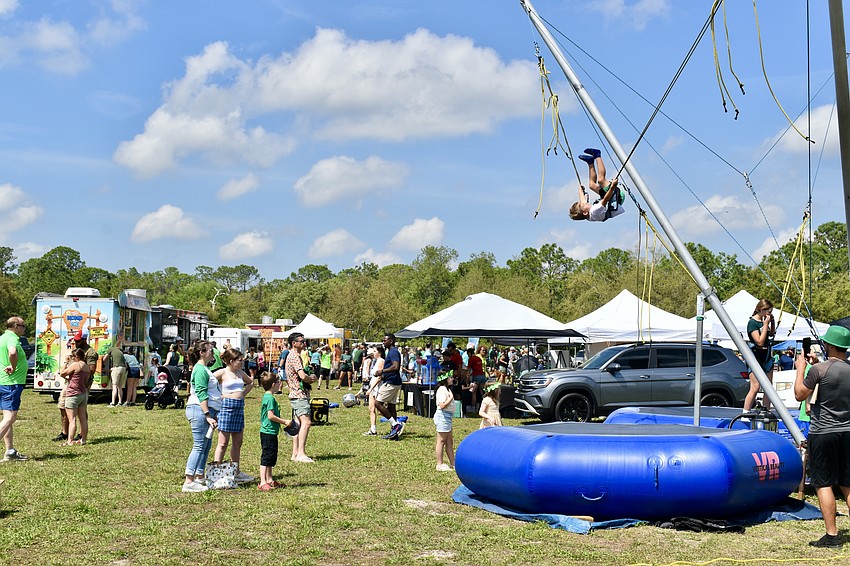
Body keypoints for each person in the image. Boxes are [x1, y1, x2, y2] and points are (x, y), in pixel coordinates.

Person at [794, 325, 850, 548]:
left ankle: (832, 535)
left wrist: (801, 369)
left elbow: (799, 394)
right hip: (847, 432)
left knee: (823, 483)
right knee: (848, 483)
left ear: (829, 345)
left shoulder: (819, 370)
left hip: (823, 432)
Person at [182, 340, 221, 493]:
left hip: (206, 411)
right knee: (199, 445)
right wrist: (207, 415)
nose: (213, 353)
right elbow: (201, 393)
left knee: (206, 445)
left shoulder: (205, 368)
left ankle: (199, 476)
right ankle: (189, 481)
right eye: (210, 350)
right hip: (199, 410)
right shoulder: (199, 369)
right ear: (202, 353)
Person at [212, 348, 255, 483]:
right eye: (240, 360)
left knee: (238, 442)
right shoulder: (222, 372)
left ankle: (235, 471)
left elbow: (251, 382)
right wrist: (219, 396)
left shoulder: (241, 373)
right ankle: (216, 472)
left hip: (238, 408)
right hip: (225, 408)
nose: (242, 362)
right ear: (231, 361)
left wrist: (243, 394)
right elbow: (208, 383)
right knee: (223, 443)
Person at [258, 371, 300, 491]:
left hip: (271, 432)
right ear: (273, 385)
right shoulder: (270, 398)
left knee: (271, 456)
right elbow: (270, 416)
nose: (279, 384)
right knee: (266, 457)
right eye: (277, 382)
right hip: (268, 432)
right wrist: (284, 421)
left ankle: (269, 479)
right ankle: (262, 481)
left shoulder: (268, 397)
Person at [285, 332, 317, 463]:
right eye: (302, 341)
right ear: (294, 343)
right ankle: (301, 454)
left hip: (295, 394)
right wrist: (311, 379)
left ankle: (295, 453)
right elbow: (303, 376)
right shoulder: (294, 356)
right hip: (299, 394)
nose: (304, 343)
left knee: (297, 424)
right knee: (306, 422)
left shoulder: (293, 355)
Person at [569, 148, 625, 222]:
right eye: (582, 204)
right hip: (616, 198)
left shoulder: (586, 212)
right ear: (585, 212)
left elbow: (583, 201)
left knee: (591, 185)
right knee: (601, 180)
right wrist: (612, 187)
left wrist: (580, 190)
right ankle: (597, 155)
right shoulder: (595, 211)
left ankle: (590, 162)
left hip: (608, 198)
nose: (583, 202)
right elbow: (606, 199)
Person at [0, 316, 28, 461]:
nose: (24, 328)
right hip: (11, 383)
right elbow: (12, 352)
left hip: (4, 382)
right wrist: (14, 366)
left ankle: (10, 451)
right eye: (23, 326)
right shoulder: (12, 338)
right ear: (16, 326)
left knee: (7, 418)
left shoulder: (2, 337)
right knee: (10, 417)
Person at [744, 299, 776, 411]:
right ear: (761, 310)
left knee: (769, 387)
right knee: (755, 386)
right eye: (769, 312)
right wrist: (765, 324)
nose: (770, 314)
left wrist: (772, 323)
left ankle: (766, 409)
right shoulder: (753, 323)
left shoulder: (765, 321)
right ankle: (746, 411)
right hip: (756, 356)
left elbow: (771, 334)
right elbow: (759, 341)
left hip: (766, 355)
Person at [373, 334, 405, 440]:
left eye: (385, 340)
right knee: (391, 407)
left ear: (391, 341)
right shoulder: (390, 352)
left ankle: (395, 425)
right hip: (393, 381)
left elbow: (395, 367)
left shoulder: (394, 351)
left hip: (391, 382)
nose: (383, 342)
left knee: (377, 403)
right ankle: (394, 433)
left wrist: (382, 371)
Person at [59, 347, 91, 446]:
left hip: (73, 394)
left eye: (73, 357)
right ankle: (83, 440)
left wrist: (65, 362)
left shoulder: (75, 365)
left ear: (76, 356)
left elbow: (62, 373)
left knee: (72, 419)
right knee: (83, 419)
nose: (72, 358)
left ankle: (69, 441)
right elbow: (85, 382)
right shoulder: (86, 366)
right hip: (83, 394)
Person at [433, 369, 456, 472]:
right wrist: (450, 398)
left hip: (448, 417)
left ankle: (453, 463)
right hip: (443, 416)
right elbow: (442, 405)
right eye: (450, 377)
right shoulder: (442, 389)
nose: (452, 379)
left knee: (449, 441)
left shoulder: (447, 389)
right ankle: (439, 463)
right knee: (441, 441)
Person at [362, 347, 384, 436]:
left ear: (379, 353)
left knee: (381, 410)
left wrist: (371, 389)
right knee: (371, 409)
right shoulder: (375, 362)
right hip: (372, 387)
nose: (373, 353)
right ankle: (373, 429)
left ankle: (395, 423)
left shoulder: (381, 361)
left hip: (378, 388)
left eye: (375, 351)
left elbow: (379, 377)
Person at [107, 342, 129, 407]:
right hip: (123, 368)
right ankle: (120, 402)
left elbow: (105, 358)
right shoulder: (120, 352)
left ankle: (113, 403)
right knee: (120, 387)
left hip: (116, 368)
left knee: (114, 386)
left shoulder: (110, 349)